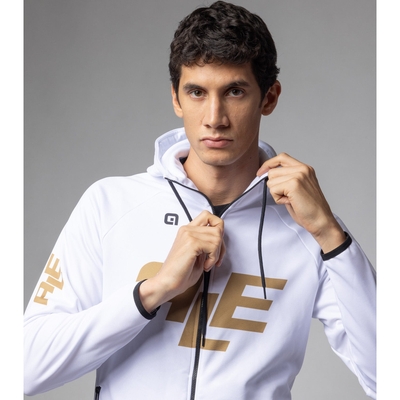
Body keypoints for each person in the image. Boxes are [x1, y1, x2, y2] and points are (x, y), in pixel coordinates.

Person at [24, 1, 376, 399]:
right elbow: (24, 368)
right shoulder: (110, 205)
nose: (214, 117)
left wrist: (330, 233)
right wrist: (153, 290)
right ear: (176, 98)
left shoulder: (310, 228)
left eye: (235, 91)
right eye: (196, 92)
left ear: (269, 98)